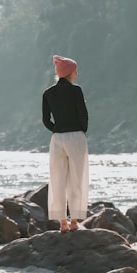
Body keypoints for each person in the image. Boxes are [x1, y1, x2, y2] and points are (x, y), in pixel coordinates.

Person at [42, 55, 89, 232]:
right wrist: (81, 130)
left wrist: (57, 129)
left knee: (57, 179)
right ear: (70, 72)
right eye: (75, 70)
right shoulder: (76, 90)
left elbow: (45, 120)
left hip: (57, 139)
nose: (76, 74)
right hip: (76, 137)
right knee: (77, 179)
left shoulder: (47, 93)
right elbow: (83, 114)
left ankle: (62, 222)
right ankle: (75, 221)